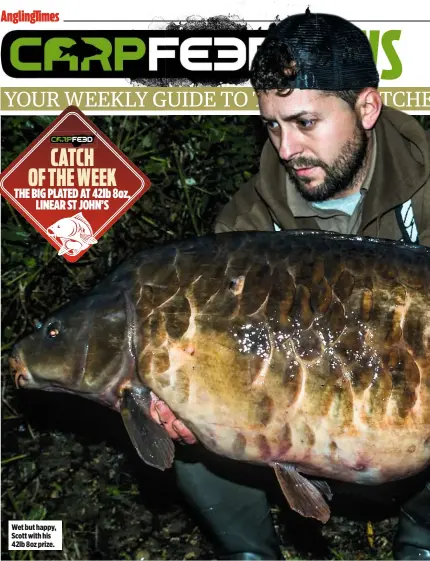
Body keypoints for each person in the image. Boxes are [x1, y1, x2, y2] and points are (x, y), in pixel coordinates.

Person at [150, 11, 430, 560]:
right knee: (188, 427)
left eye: (305, 122)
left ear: (366, 107)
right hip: (301, 416)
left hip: (408, 415)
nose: (286, 148)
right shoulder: (246, 223)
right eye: (273, 126)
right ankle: (251, 552)